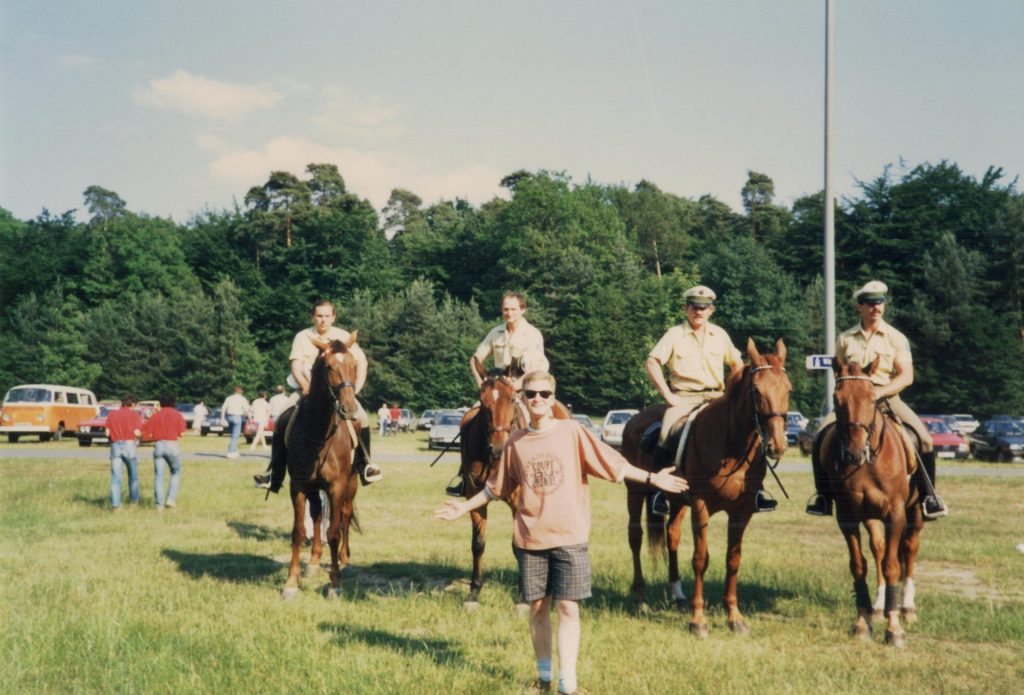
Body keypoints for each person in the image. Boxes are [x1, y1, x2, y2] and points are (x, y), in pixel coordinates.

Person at [436, 371, 688, 695]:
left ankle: (567, 682)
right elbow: (494, 489)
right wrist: (463, 507)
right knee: (539, 609)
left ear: (552, 398)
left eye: (543, 394)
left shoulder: (573, 432)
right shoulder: (514, 442)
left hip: (569, 538)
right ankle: (543, 677)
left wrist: (654, 479)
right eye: (531, 395)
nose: (537, 399)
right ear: (522, 400)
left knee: (569, 608)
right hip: (530, 540)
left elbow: (615, 466)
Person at [807, 280, 948, 520]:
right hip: (853, 403)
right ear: (859, 306)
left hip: (887, 398)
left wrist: (879, 393)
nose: (876, 307)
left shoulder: (895, 338)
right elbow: (839, 370)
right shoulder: (845, 339)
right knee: (820, 435)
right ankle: (823, 497)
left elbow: (906, 376)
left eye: (880, 302)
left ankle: (928, 497)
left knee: (924, 439)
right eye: (870, 303)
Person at [645, 285, 776, 513]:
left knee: (751, 431)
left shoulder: (720, 335)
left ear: (710, 311)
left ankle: (756, 489)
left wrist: (733, 393)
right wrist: (667, 395)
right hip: (684, 398)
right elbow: (652, 361)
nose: (698, 311)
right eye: (694, 307)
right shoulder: (674, 334)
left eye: (703, 308)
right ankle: (660, 493)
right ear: (686, 308)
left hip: (717, 396)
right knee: (666, 433)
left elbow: (737, 364)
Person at [256, 299, 380, 491]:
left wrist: (355, 389)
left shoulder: (343, 336)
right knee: (282, 419)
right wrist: (305, 385)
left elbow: (361, 362)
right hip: (305, 391)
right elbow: (295, 365)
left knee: (362, 418)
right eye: (319, 316)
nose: (323, 320)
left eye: (327, 316)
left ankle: (366, 465)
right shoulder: (302, 336)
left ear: (333, 317)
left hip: (338, 393)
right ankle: (275, 474)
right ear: (313, 317)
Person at [470, 291, 549, 390]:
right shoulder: (495, 333)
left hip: (526, 390)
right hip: (499, 390)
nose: (509, 313)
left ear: (522, 310)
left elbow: (537, 367)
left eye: (513, 309)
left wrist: (514, 386)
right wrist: (481, 382)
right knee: (476, 406)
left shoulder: (533, 334)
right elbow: (475, 359)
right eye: (506, 309)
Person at [142, 393, 187, 509]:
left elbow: (149, 433)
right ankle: (171, 499)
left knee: (159, 476)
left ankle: (159, 505)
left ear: (161, 403)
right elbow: (182, 434)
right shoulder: (178, 415)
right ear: (174, 402)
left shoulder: (155, 416)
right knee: (175, 472)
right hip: (172, 445)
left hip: (159, 445)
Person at [106, 394, 143, 510]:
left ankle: (116, 505)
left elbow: (107, 433)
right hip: (129, 445)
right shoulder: (134, 415)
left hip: (115, 445)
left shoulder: (112, 414)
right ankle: (134, 501)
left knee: (116, 477)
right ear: (132, 404)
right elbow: (137, 433)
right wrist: (141, 436)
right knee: (133, 476)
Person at [219, 386, 249, 459]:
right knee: (235, 436)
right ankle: (230, 452)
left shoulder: (229, 398)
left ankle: (235, 451)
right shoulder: (242, 399)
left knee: (233, 435)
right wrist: (247, 416)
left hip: (229, 417)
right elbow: (247, 409)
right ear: (241, 392)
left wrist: (222, 418)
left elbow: (223, 409)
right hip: (237, 417)